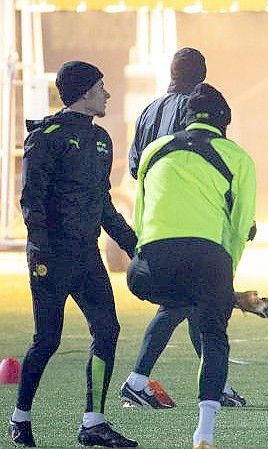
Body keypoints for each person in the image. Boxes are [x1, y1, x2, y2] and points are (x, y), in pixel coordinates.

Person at [8, 61, 138, 448]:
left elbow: (103, 204)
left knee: (108, 330)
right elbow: (31, 200)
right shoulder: (46, 136)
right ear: (84, 93)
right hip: (52, 257)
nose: (107, 94)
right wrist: (43, 252)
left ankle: (93, 423)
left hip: (87, 255)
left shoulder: (101, 141)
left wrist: (133, 246)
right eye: (101, 86)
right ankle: (20, 418)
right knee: (47, 340)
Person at [126, 83, 256, 449]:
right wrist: (225, 287)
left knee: (180, 300)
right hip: (207, 258)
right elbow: (240, 227)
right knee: (213, 332)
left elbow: (141, 213)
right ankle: (204, 433)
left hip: (146, 268)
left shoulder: (154, 150)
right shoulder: (237, 156)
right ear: (224, 122)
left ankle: (136, 381)